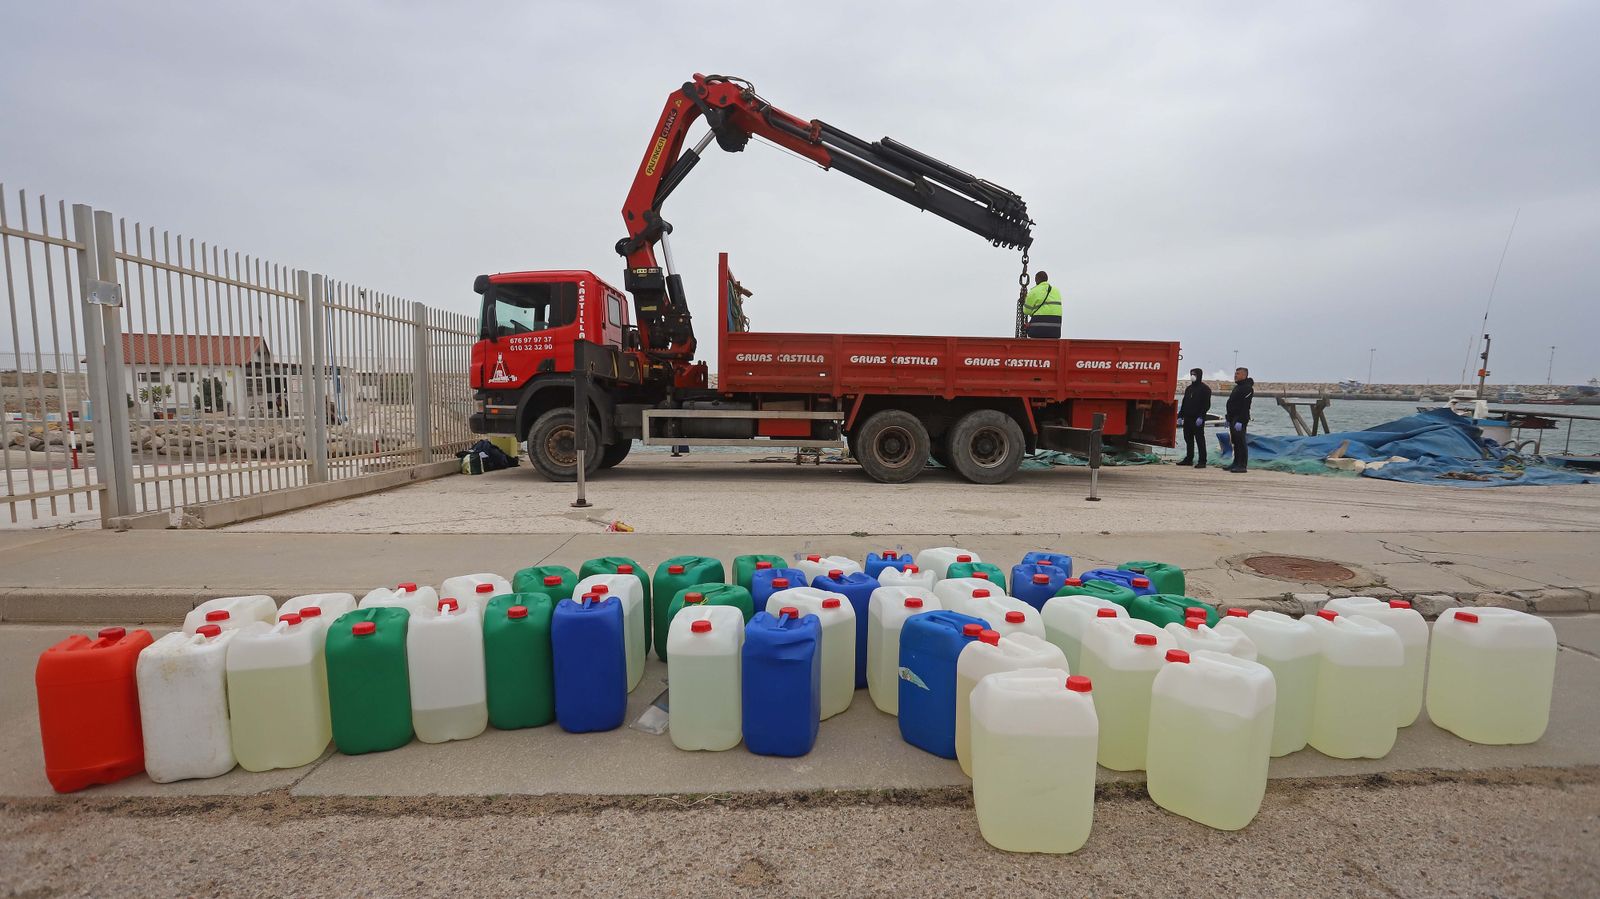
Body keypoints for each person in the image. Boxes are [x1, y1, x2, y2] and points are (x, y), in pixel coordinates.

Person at [1176, 368, 1211, 468]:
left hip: (1197, 419)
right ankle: (1189, 458)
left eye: (1194, 374)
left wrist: (1201, 417)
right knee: (1188, 439)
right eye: (1191, 374)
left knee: (1200, 440)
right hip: (1187, 418)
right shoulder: (1189, 388)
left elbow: (1206, 405)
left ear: (1199, 375)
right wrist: (1180, 415)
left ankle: (1202, 460)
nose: (1192, 376)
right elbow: (1184, 403)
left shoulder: (1205, 389)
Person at [1225, 367, 1254, 473]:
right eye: (1235, 373)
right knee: (1235, 441)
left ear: (1244, 375)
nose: (1235, 375)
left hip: (1240, 418)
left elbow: (1245, 406)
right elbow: (1231, 403)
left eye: (1238, 373)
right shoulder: (1237, 387)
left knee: (1241, 441)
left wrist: (1241, 421)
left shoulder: (1247, 388)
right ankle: (1236, 462)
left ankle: (1242, 465)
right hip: (1233, 417)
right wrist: (1228, 417)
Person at [1022, 271, 1062, 339]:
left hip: (1038, 330)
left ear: (1036, 280)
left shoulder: (1034, 291)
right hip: (1055, 330)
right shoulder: (1056, 291)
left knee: (1025, 327)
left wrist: (1026, 300)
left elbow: (1026, 311)